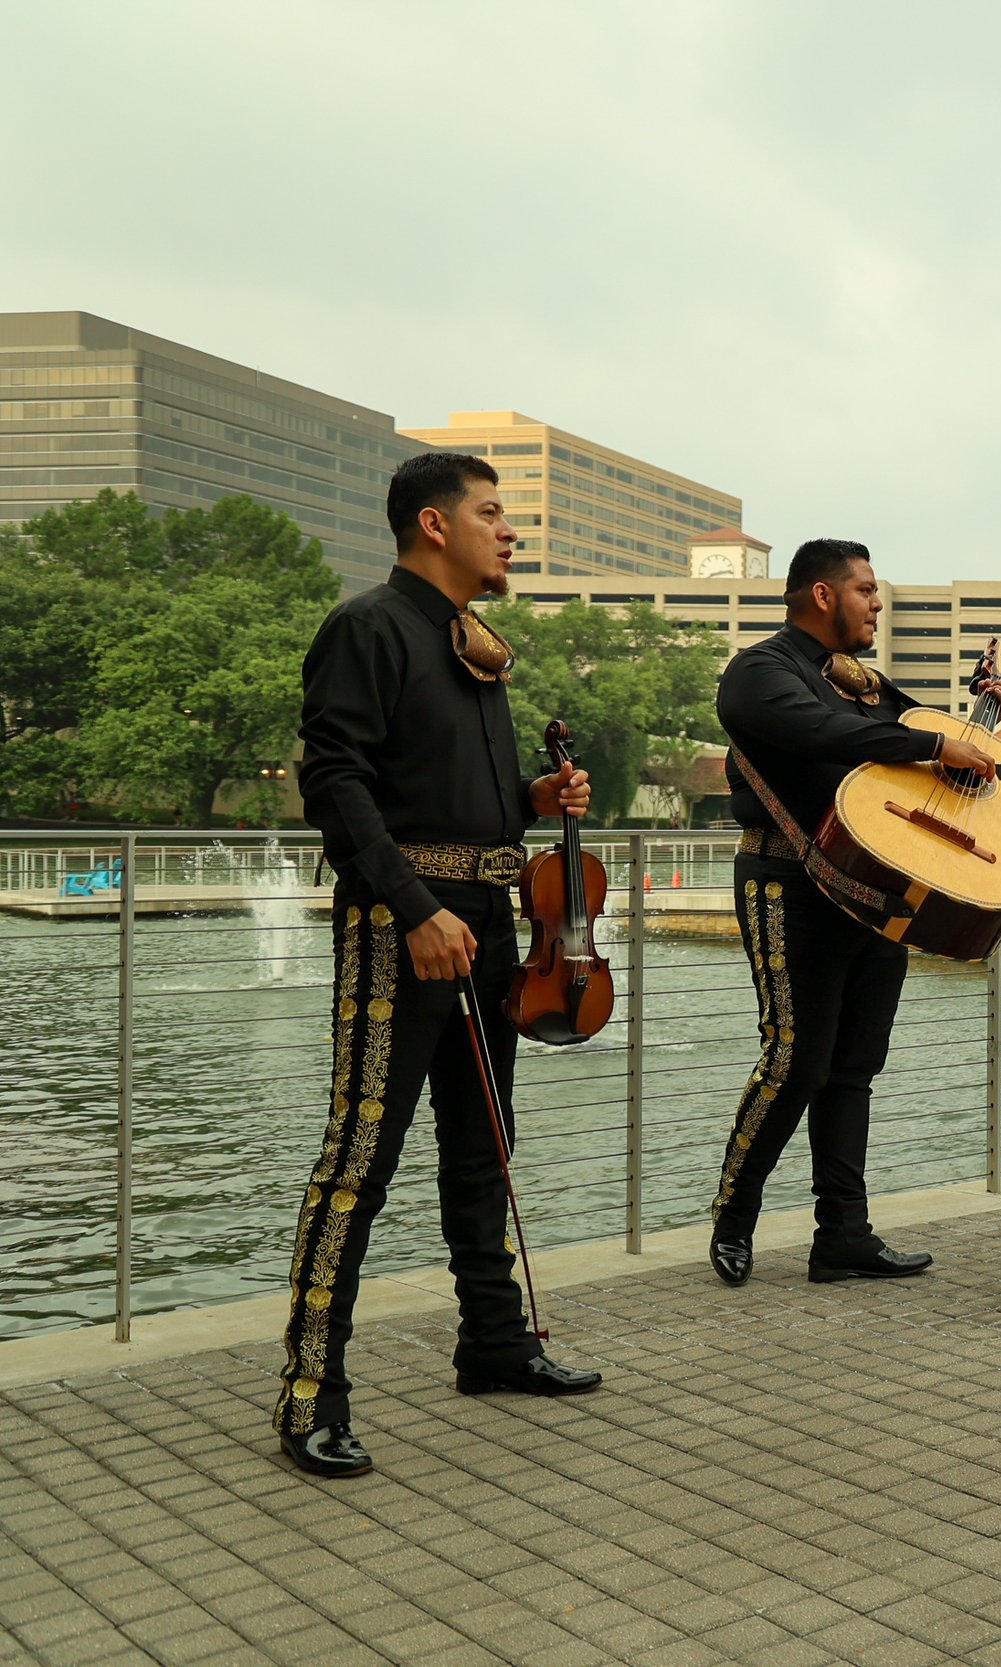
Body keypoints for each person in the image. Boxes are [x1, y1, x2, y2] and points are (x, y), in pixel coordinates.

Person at [275, 452, 603, 1481]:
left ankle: (495, 1345)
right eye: (493, 514)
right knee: (358, 1161)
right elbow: (334, 779)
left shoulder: (474, 647)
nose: (509, 532)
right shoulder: (366, 626)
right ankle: (307, 1393)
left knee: (482, 1145)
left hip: (490, 924)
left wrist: (531, 798)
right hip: (401, 925)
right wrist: (413, 908)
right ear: (433, 523)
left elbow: (457, 793)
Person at [708, 538, 1001, 1287]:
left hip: (875, 889)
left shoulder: (867, 684)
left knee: (855, 1066)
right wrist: (933, 739)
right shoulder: (759, 672)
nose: (877, 603)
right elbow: (824, 732)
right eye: (867, 590)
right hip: (785, 879)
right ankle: (733, 1216)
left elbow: (935, 751)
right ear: (822, 595)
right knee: (794, 1059)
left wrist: (985, 711)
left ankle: (843, 1233)